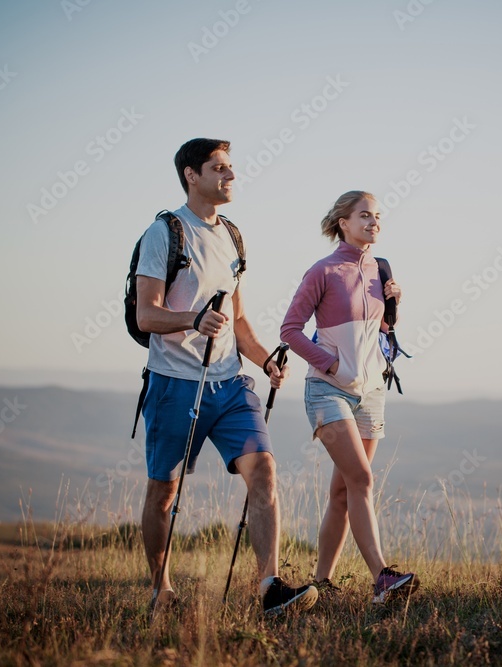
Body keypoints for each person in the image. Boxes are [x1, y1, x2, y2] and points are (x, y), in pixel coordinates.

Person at [135, 138, 317, 616]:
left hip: (230, 384)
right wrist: (192, 320)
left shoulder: (233, 236)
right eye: (219, 168)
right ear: (192, 175)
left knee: (265, 472)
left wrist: (264, 360)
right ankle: (162, 588)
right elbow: (146, 317)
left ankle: (270, 588)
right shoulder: (165, 233)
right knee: (164, 491)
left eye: (231, 168)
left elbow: (238, 320)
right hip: (174, 382)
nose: (230, 176)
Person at [280, 190, 419, 603]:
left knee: (343, 492)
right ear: (343, 222)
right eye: (364, 215)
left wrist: (395, 306)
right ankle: (382, 577)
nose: (374, 223)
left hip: (371, 392)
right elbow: (289, 330)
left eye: (378, 216)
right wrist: (332, 365)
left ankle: (321, 583)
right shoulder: (323, 271)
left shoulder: (381, 269)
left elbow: (383, 336)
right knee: (362, 479)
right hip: (328, 390)